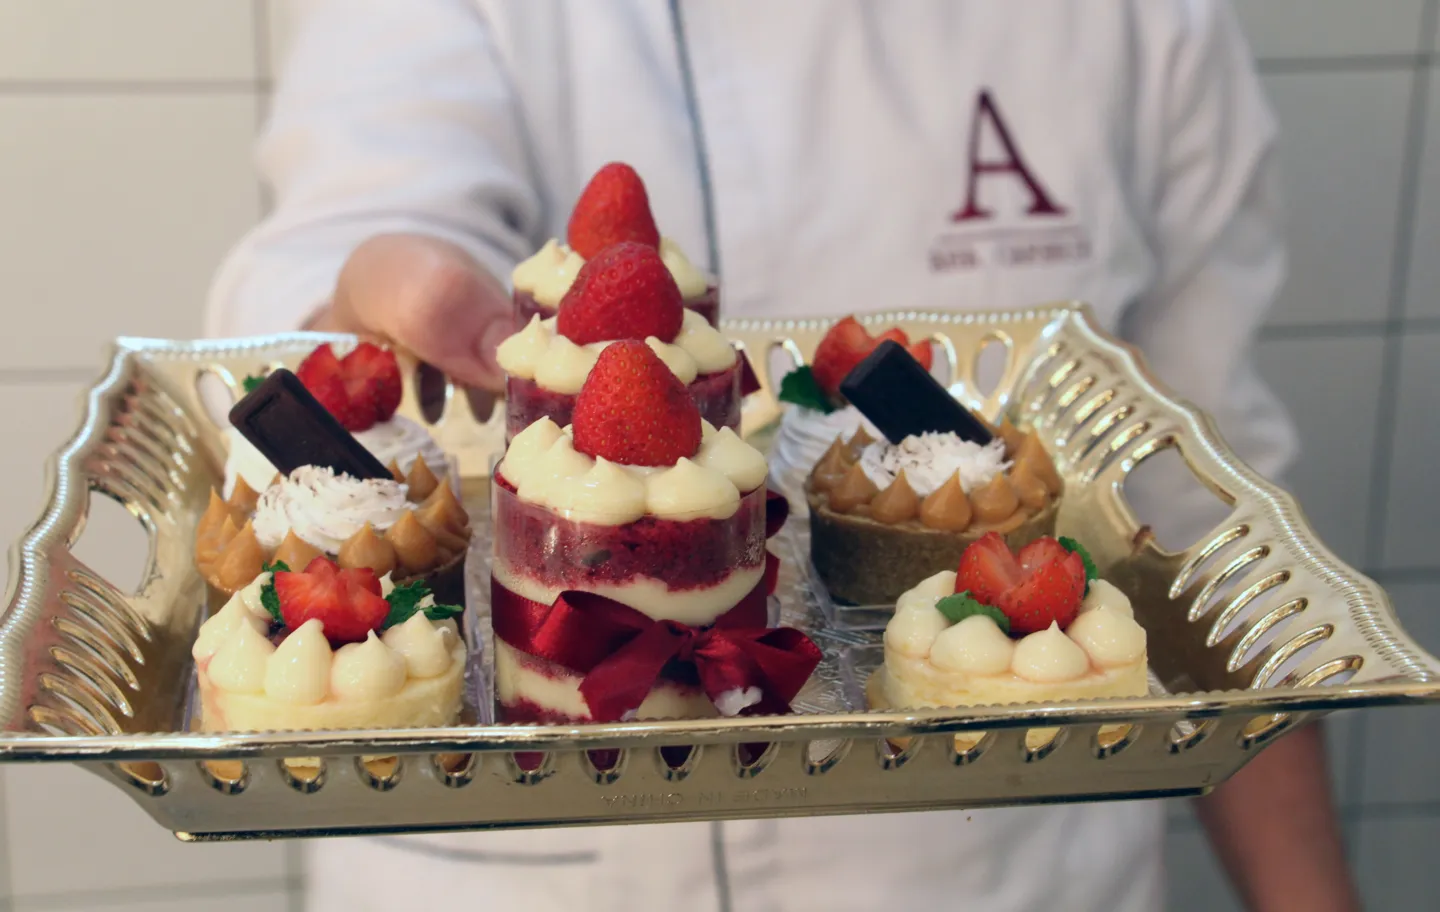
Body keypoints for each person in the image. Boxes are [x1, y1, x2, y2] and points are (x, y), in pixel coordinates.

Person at [205, 2, 1361, 910]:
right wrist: (378, 288)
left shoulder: (1132, 19)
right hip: (529, 869)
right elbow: (347, 223)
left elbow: (1208, 509)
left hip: (990, 871)